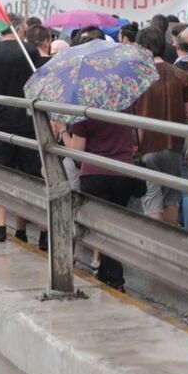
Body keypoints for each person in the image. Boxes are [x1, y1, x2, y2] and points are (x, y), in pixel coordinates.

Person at [0, 14, 42, 243]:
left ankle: (0, 226)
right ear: (20, 27)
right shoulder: (30, 51)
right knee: (30, 176)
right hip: (28, 121)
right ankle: (31, 230)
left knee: (1, 174)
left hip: (2, 122)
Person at [62, 115, 143, 291]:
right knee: (113, 225)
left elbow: (77, 152)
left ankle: (116, 279)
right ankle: (106, 274)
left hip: (94, 173)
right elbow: (137, 139)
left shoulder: (83, 109)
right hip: (123, 173)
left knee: (101, 226)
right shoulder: (125, 102)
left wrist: (62, 132)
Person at [133, 27, 188, 225]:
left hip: (146, 146)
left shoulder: (137, 77)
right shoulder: (181, 75)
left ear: (142, 47)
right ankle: (171, 249)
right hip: (174, 146)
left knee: (151, 200)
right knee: (171, 200)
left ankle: (155, 249)